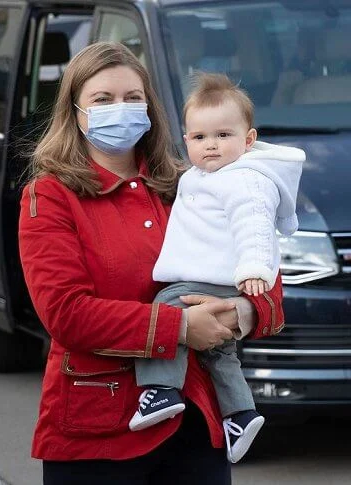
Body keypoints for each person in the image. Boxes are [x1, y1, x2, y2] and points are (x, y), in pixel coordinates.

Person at [18, 42, 284, 485]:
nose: (120, 109)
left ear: (149, 107)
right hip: (98, 431)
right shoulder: (50, 196)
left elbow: (264, 270)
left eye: (132, 97)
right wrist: (180, 327)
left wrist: (242, 311)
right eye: (103, 100)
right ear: (76, 112)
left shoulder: (188, 184)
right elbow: (66, 313)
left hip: (196, 420)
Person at [130, 73, 304, 464]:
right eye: (200, 137)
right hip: (218, 281)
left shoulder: (243, 180)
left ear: (249, 139)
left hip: (213, 280)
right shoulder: (202, 176)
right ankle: (241, 414)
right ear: (186, 140)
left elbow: (254, 223)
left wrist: (254, 268)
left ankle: (160, 389)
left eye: (224, 135)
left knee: (167, 308)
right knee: (221, 356)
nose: (211, 145)